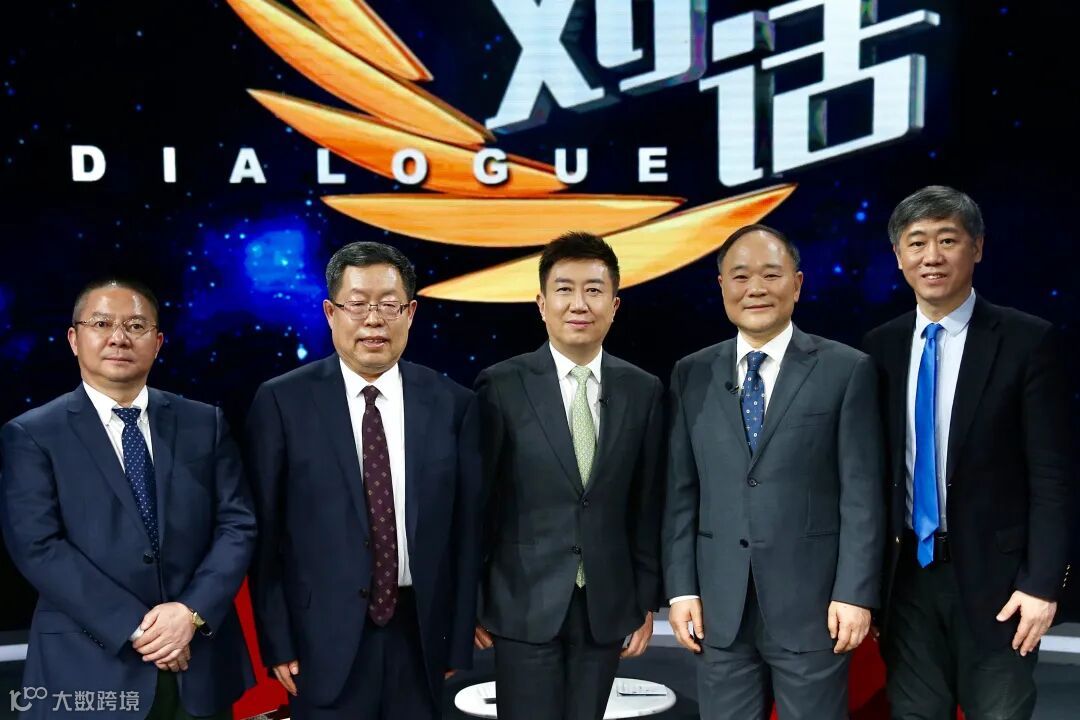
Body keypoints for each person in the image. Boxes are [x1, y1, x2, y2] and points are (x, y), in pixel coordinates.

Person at [245, 241, 482, 719]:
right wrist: (277, 641)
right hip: (319, 640)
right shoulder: (282, 402)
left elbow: (468, 530)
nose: (374, 320)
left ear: (410, 314)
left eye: (389, 305)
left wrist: (455, 642)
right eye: (357, 304)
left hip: (420, 637)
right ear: (331, 312)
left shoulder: (453, 403)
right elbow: (264, 535)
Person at [0, 279, 256, 720]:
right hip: (87, 668)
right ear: (74, 339)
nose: (119, 337)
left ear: (158, 342)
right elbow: (38, 547)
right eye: (102, 324)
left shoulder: (204, 423)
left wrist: (190, 613)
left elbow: (238, 525)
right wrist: (140, 628)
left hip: (200, 666)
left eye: (136, 326)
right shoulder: (33, 435)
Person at [863, 185, 1073, 719]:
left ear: (976, 247)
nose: (931, 256)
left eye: (947, 240)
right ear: (899, 256)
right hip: (906, 584)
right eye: (916, 243)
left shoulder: (1027, 341)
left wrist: (1043, 585)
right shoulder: (878, 348)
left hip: (1000, 589)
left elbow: (1053, 478)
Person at [663, 225, 885, 719]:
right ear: (722, 285)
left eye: (771, 274)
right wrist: (681, 590)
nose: (755, 289)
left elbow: (862, 496)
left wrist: (854, 593)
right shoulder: (690, 373)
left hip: (814, 610)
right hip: (719, 610)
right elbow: (680, 494)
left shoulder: (846, 369)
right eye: (740, 276)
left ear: (798, 284)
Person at [473, 232, 664, 720]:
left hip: (606, 605)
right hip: (522, 602)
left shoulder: (643, 390)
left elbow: (647, 505)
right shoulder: (501, 385)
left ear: (614, 305)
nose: (579, 303)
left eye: (594, 290)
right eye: (564, 289)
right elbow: (478, 503)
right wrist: (472, 598)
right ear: (541, 304)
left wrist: (645, 601)